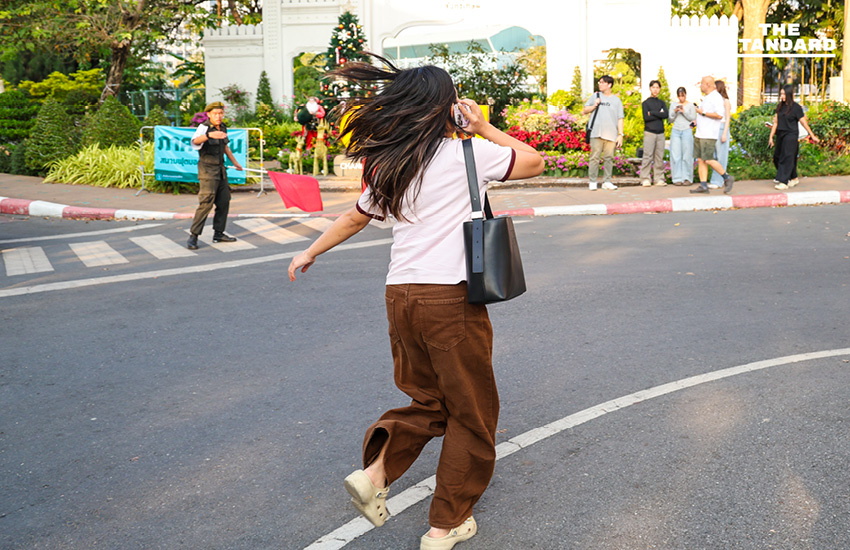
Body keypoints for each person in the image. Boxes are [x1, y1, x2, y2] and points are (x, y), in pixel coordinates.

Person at [287, 54, 544, 550]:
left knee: (428, 401)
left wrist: (309, 251)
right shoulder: (466, 154)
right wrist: (486, 127)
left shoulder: (391, 164)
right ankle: (444, 526)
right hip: (449, 298)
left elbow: (355, 218)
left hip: (400, 296)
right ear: (445, 108)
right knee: (471, 411)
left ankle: (377, 473)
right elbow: (533, 161)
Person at [186, 101, 243, 249]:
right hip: (207, 172)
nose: (218, 116)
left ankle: (218, 233)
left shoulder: (223, 127)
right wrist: (209, 135)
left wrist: (235, 162)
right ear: (209, 114)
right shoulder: (204, 127)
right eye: (215, 114)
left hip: (220, 170)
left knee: (224, 201)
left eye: (220, 113)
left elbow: (225, 147)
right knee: (206, 203)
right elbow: (194, 142)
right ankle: (193, 236)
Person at [768, 84, 820, 190]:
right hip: (781, 134)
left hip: (791, 135)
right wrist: (771, 137)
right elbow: (776, 123)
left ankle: (783, 181)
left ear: (789, 94)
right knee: (777, 157)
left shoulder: (796, 108)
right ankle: (793, 177)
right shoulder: (780, 107)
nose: (782, 96)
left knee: (786, 157)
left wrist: (812, 135)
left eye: (784, 94)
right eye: (781, 94)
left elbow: (804, 123)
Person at [690, 76, 734, 194]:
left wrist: (702, 112)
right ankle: (703, 185)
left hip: (709, 134)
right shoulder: (708, 97)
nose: (701, 86)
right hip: (701, 133)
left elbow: (719, 115)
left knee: (708, 159)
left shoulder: (716, 97)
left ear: (708, 84)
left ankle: (726, 178)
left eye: (702, 84)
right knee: (701, 160)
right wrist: (696, 121)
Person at [582, 75, 624, 190]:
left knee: (609, 158)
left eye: (602, 82)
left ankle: (607, 181)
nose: (600, 84)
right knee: (594, 157)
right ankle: (593, 181)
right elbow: (584, 111)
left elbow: (620, 118)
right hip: (596, 132)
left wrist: (620, 134)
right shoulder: (595, 96)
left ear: (609, 85)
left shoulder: (616, 100)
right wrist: (594, 105)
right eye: (599, 82)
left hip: (611, 134)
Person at [640, 80, 668, 186]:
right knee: (647, 156)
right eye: (653, 87)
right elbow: (646, 118)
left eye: (657, 87)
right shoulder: (646, 103)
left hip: (660, 133)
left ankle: (659, 178)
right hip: (649, 132)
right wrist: (658, 113)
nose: (655, 89)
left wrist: (652, 113)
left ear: (660, 89)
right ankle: (645, 178)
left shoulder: (662, 103)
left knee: (659, 157)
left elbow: (665, 114)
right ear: (650, 88)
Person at [668, 86, 696, 185]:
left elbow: (692, 118)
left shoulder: (691, 105)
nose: (681, 98)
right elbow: (670, 120)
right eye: (679, 96)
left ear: (685, 95)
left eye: (682, 96)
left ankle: (687, 178)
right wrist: (675, 112)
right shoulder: (673, 105)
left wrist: (684, 112)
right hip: (676, 130)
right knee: (676, 155)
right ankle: (677, 178)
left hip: (687, 130)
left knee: (687, 155)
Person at [708, 80, 732, 189]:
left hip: (722, 128)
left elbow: (727, 119)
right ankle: (719, 179)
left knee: (721, 156)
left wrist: (724, 133)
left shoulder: (725, 101)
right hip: (713, 129)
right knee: (713, 156)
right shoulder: (713, 101)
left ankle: (717, 181)